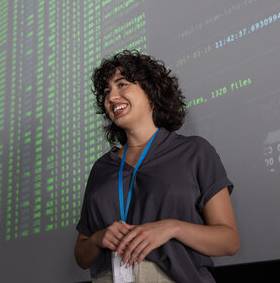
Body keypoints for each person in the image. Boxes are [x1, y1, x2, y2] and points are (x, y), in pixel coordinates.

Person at [74, 50, 239, 282]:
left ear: (151, 93)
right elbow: (81, 256)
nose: (111, 97)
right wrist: (97, 239)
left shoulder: (194, 152)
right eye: (106, 91)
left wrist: (172, 228)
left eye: (122, 84)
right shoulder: (101, 168)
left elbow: (229, 241)